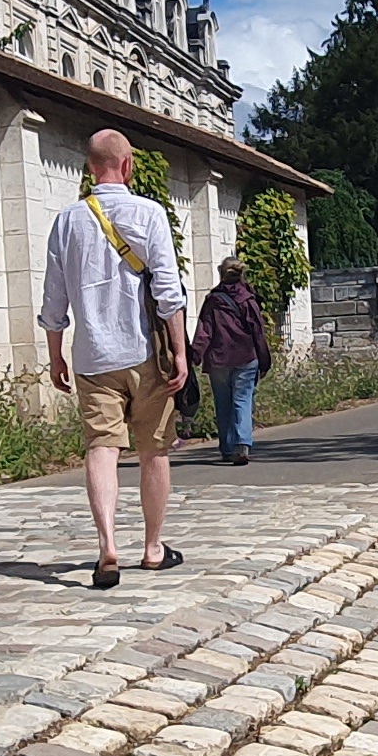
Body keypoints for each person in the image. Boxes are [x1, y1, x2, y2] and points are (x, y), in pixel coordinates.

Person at [36, 129, 189, 587]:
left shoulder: (67, 221)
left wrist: (56, 355)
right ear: (127, 166)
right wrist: (180, 351)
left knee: (102, 447)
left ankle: (107, 546)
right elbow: (168, 291)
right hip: (146, 353)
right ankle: (153, 547)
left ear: (89, 167)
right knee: (153, 450)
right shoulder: (149, 213)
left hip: (93, 356)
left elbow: (53, 298)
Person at [189, 256, 271, 465]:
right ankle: (242, 444)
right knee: (242, 400)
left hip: (219, 359)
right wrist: (264, 361)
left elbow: (204, 332)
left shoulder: (213, 301)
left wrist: (194, 357)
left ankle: (226, 448)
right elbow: (258, 332)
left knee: (223, 403)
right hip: (246, 358)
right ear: (242, 273)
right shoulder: (248, 299)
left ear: (220, 273)